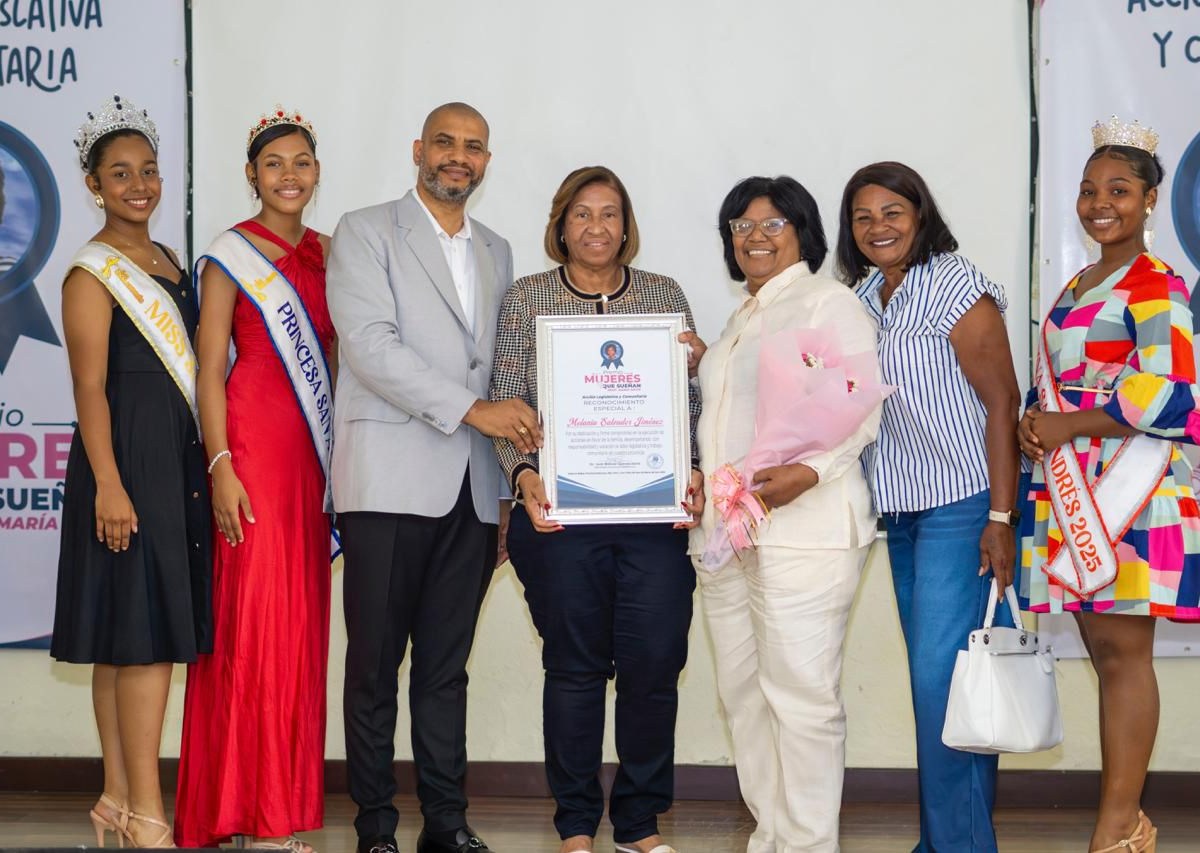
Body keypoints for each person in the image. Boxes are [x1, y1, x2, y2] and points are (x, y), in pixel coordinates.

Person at [327, 102, 536, 853]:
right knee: (374, 666)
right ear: (418, 150)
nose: (458, 156)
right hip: (387, 481)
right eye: (445, 142)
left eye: (473, 147)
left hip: (474, 492)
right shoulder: (364, 230)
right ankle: (376, 825)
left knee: (446, 671)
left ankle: (446, 822)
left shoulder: (498, 249)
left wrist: (506, 492)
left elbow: (501, 366)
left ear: (487, 161)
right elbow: (370, 347)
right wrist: (474, 411)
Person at [492, 165, 704, 853]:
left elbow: (688, 404)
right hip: (559, 518)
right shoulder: (527, 298)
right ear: (561, 225)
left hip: (652, 519)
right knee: (574, 669)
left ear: (626, 225)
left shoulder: (664, 295)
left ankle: (638, 823)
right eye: (581, 213)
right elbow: (506, 399)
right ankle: (577, 823)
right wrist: (524, 474)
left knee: (654, 667)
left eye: (609, 213)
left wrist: (693, 467)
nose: (596, 226)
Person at [1018, 118, 1199, 853]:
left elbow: (1173, 394)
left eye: (1119, 190)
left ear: (1150, 200)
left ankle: (1116, 828)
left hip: (1132, 488)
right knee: (1105, 653)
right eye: (1089, 190)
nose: (1100, 204)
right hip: (1075, 488)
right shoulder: (1079, 283)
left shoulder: (1159, 284)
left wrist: (1070, 424)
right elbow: (1065, 380)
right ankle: (1126, 821)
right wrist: (1035, 421)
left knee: (1125, 656)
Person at [689, 175, 880, 853]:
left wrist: (810, 472)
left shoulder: (829, 303)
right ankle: (771, 836)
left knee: (801, 699)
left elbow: (862, 406)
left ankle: (807, 844)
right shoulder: (740, 319)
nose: (755, 237)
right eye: (741, 226)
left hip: (806, 531)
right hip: (726, 535)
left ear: (803, 233)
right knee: (745, 696)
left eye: (773, 224)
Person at [836, 161, 1021, 853]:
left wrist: (1000, 518)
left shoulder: (954, 283)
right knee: (946, 685)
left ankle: (957, 845)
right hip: (902, 511)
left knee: (941, 682)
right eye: (863, 217)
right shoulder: (861, 297)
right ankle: (949, 838)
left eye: (892, 211)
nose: (878, 226)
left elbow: (1003, 401)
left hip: (963, 505)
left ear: (920, 215)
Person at [51, 94, 211, 849]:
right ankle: (148, 810)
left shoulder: (168, 262)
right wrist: (110, 485)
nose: (138, 185)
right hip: (122, 465)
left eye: (148, 170)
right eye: (120, 173)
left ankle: (117, 796)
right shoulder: (91, 272)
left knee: (127, 633)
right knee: (142, 637)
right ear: (94, 185)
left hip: (168, 459)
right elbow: (89, 388)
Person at [174, 108, 334, 852]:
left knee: (297, 631)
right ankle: (250, 816)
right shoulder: (229, 254)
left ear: (317, 172)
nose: (288, 176)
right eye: (274, 164)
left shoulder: (333, 254)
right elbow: (208, 370)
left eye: (301, 162)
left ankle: (275, 807)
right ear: (252, 174)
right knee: (253, 626)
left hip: (311, 460)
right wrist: (220, 465)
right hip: (252, 453)